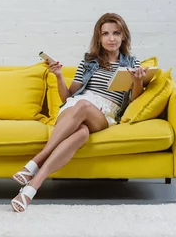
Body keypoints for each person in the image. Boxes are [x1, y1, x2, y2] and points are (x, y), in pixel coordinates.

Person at [10, 13, 148, 213]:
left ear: (124, 36)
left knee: (82, 105)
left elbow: (134, 101)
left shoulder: (132, 64)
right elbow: (68, 97)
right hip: (76, 106)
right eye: (106, 34)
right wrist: (58, 76)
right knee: (81, 132)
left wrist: (138, 81)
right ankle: (31, 189)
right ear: (99, 38)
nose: (111, 38)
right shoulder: (89, 61)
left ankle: (35, 162)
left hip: (104, 112)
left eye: (116, 33)